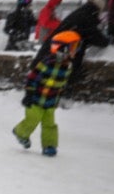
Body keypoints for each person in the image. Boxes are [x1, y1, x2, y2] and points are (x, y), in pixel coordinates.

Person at [11, 29, 81, 158]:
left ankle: (49, 145)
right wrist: (29, 94)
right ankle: (21, 133)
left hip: (51, 101)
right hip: (36, 99)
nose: (75, 50)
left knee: (50, 124)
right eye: (72, 47)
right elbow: (32, 77)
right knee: (32, 120)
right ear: (63, 48)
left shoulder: (68, 65)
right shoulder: (47, 62)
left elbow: (61, 83)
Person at [34, 0, 108, 89]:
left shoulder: (82, 12)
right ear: (98, 9)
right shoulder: (88, 17)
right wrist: (107, 40)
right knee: (49, 82)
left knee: (44, 80)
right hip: (58, 55)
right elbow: (98, 39)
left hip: (51, 52)